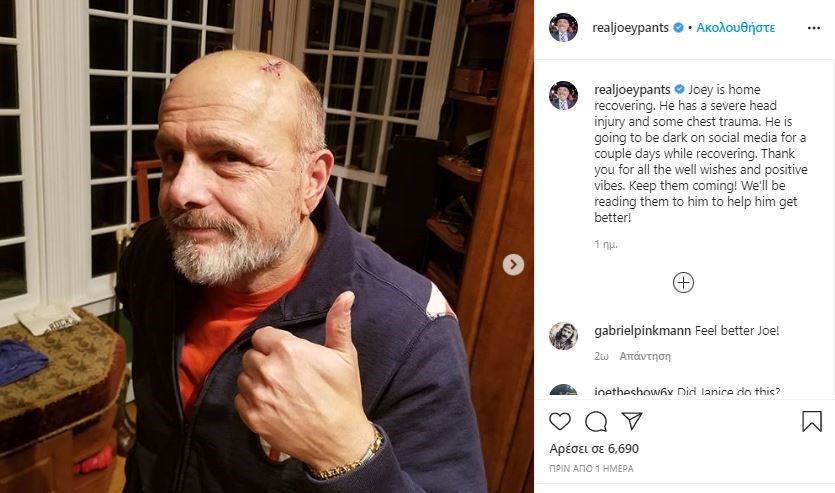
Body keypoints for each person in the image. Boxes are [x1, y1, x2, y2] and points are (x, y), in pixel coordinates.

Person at [116, 50, 486, 492]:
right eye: (172, 156)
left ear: (311, 180)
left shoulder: (412, 331)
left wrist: (345, 454)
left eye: (228, 157)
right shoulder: (152, 252)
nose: (180, 191)